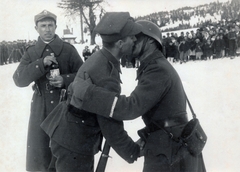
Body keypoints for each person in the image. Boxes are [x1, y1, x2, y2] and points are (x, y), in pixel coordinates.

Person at [75, 20, 206, 172]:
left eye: (137, 37)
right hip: (168, 143)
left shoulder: (157, 69)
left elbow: (130, 108)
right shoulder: (155, 66)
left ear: (151, 41)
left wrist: (87, 93)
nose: (132, 40)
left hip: (170, 147)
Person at [40, 12, 142, 172]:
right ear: (120, 43)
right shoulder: (106, 73)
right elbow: (110, 123)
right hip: (75, 144)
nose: (135, 40)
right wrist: (132, 151)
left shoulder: (100, 57)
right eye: (132, 37)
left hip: (66, 136)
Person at [12, 10, 83, 171]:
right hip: (40, 108)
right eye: (43, 25)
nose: (47, 29)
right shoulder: (31, 52)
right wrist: (40, 63)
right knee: (40, 153)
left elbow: (84, 75)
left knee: (65, 151)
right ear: (36, 28)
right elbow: (18, 79)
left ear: (56, 26)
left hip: (65, 107)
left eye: (50, 25)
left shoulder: (68, 49)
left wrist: (65, 80)